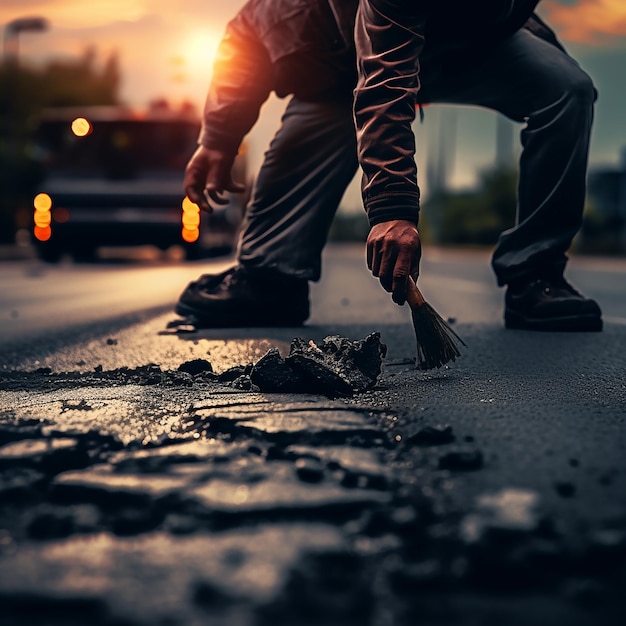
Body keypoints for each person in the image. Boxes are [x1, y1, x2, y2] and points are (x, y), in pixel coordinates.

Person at [177, 0, 602, 332]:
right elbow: (383, 85)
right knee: (329, 116)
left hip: (462, 47)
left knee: (567, 90)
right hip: (344, 73)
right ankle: (269, 280)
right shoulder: (272, 17)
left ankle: (536, 277)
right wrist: (218, 136)